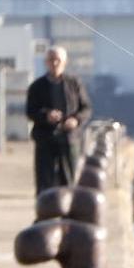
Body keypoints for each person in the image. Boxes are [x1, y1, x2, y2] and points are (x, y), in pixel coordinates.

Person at [26, 46, 92, 194]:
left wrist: (75, 120)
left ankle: (69, 208)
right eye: (51, 60)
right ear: (46, 62)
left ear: (64, 62)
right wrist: (46, 115)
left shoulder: (74, 83)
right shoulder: (37, 86)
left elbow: (86, 108)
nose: (54, 63)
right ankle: (45, 209)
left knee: (69, 179)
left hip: (69, 138)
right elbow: (30, 111)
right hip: (45, 138)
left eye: (58, 60)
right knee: (44, 181)